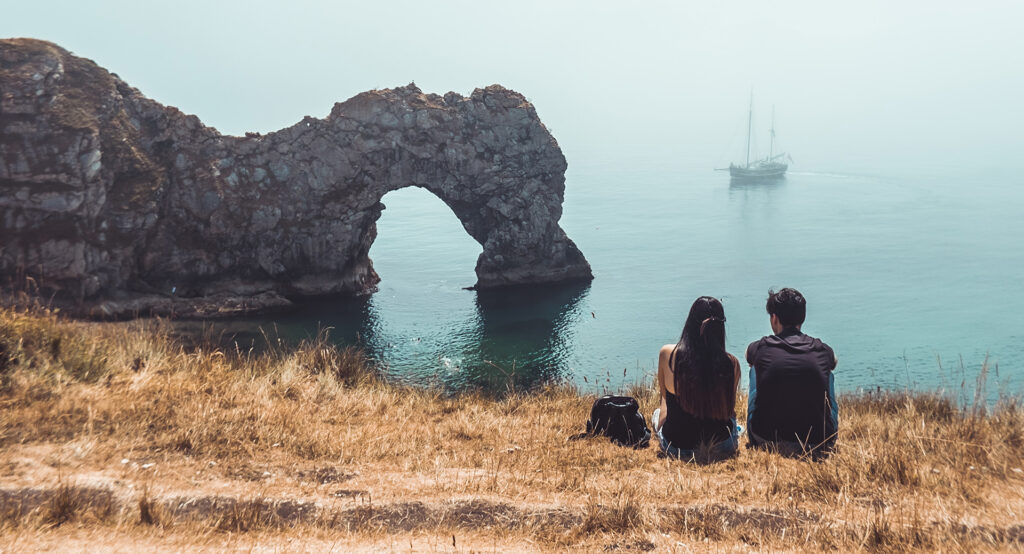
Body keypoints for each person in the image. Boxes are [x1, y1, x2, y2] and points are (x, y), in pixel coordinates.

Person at [746, 288, 838, 457]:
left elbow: (748, 356)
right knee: (828, 374)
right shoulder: (821, 349)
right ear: (802, 317)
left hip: (765, 439)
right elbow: (834, 361)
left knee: (754, 370)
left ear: (774, 318)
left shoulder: (761, 347)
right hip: (819, 440)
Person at [653, 296, 742, 461]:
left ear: (689, 323)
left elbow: (665, 398)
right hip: (722, 444)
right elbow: (729, 410)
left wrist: (660, 425)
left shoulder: (668, 354)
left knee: (658, 412)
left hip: (677, 446)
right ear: (720, 327)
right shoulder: (732, 363)